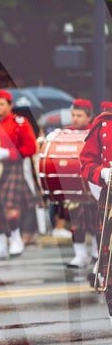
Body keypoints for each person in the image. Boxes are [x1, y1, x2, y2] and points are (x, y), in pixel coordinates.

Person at [0, 89, 38, 259]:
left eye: (1, 104)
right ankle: (0, 246)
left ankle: (16, 240)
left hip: (13, 166)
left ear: (10, 106)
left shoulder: (19, 122)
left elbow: (31, 148)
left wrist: (8, 153)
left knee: (11, 208)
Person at [79, 105, 112, 345]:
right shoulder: (102, 123)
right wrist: (101, 172)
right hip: (110, 198)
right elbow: (85, 161)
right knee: (110, 269)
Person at [62, 99, 97, 268]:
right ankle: (80, 255)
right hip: (73, 183)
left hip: (92, 183)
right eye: (73, 115)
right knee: (76, 220)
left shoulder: (95, 131)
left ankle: (97, 252)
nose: (75, 119)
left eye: (79, 115)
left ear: (89, 117)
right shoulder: (66, 133)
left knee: (96, 220)